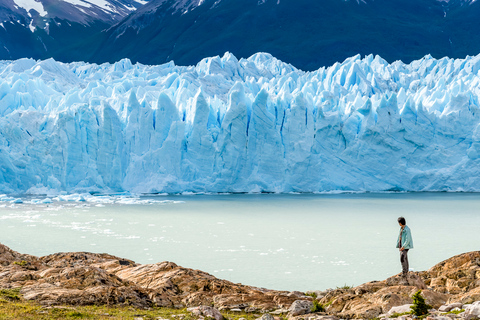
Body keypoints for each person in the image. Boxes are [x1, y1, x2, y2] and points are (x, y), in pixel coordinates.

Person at [396, 217, 413, 283]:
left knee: (402, 258)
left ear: (400, 223)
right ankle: (405, 271)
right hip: (402, 246)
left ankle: (404, 272)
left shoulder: (407, 229)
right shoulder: (402, 228)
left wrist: (403, 246)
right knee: (405, 258)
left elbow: (408, 239)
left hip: (405, 246)